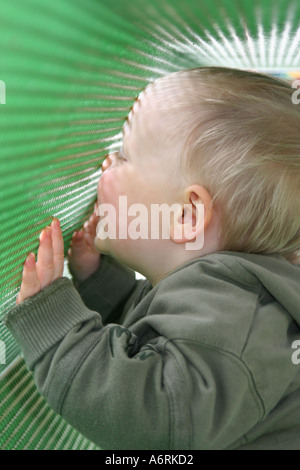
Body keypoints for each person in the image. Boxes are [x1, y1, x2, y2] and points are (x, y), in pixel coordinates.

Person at [4, 67, 300, 450]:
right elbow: (159, 337)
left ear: (187, 216)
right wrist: (102, 282)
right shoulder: (226, 297)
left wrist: (57, 330)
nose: (106, 163)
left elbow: (156, 418)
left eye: (125, 156)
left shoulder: (240, 320)